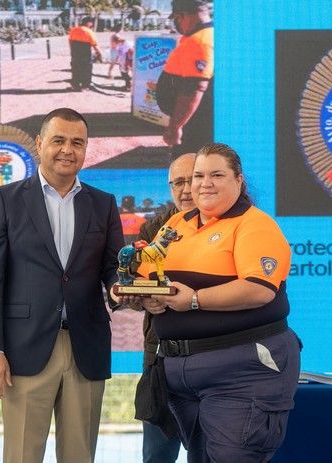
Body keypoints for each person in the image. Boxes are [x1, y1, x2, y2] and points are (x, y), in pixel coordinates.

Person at [132, 143, 300, 462]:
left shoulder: (255, 224)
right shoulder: (176, 224)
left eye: (216, 174)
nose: (204, 183)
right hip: (180, 376)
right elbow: (144, 274)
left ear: (239, 180)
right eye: (198, 175)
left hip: (241, 372)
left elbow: (259, 290)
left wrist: (194, 300)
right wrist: (145, 296)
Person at [0, 107, 124, 462]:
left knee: (79, 455)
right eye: (58, 140)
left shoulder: (103, 204)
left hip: (85, 347)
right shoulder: (7, 200)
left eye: (77, 142)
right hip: (22, 351)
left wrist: (120, 289)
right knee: (22, 455)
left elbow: (114, 268)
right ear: (39, 143)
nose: (67, 150)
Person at [134, 153, 195, 463]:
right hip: (159, 356)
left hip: (215, 358)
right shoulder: (154, 229)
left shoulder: (238, 225)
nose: (185, 190)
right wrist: (144, 297)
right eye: (177, 183)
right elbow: (129, 281)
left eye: (192, 180)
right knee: (157, 453)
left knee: (209, 451)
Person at [158, 0, 213, 155]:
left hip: (195, 125)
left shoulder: (200, 41)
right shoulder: (203, 35)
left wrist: (176, 126)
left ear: (183, 15)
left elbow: (194, 88)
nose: (177, 23)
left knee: (188, 166)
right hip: (197, 120)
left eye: (176, 18)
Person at [68, 17, 103, 91]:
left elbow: (70, 41)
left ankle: (75, 85)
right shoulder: (88, 31)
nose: (92, 24)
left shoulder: (74, 30)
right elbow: (94, 44)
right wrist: (100, 53)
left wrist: (72, 50)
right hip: (85, 52)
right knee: (86, 69)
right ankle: (85, 86)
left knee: (75, 68)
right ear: (88, 23)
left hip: (75, 51)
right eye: (91, 22)